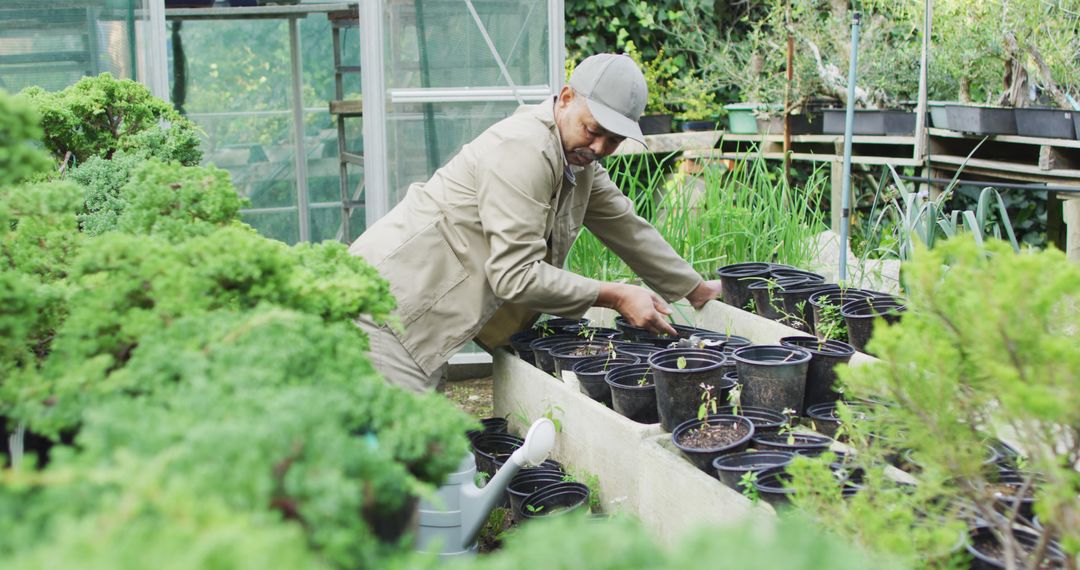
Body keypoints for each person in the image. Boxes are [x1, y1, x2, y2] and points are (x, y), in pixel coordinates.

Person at [349, 53, 723, 392]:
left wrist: (693, 289)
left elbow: (625, 225)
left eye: (613, 140)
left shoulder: (578, 161)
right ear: (565, 99)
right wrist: (616, 295)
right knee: (398, 450)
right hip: (391, 307)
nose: (598, 149)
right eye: (593, 131)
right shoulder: (523, 149)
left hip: (422, 308)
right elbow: (514, 275)